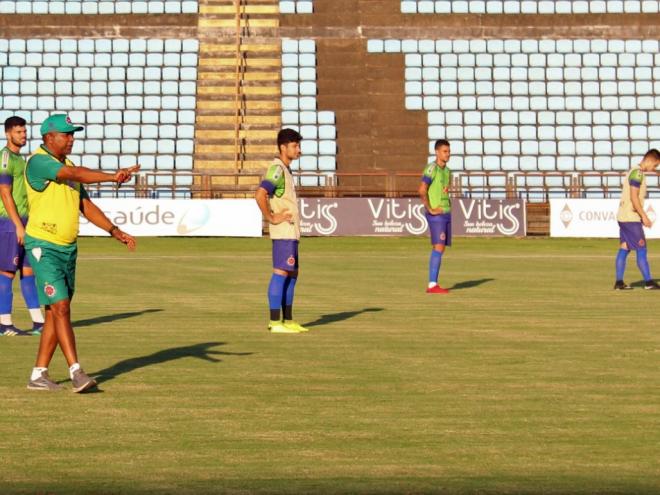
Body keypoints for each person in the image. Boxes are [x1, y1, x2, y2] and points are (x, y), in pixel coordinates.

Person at [25, 114, 139, 392]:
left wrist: (114, 231)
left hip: (67, 248)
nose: (71, 139)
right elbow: (73, 175)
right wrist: (112, 176)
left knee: (55, 312)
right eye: (66, 134)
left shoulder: (69, 165)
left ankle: (38, 374)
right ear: (49, 137)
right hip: (43, 245)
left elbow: (85, 205)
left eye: (72, 134)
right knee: (61, 307)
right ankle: (76, 372)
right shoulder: (39, 161)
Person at [255, 128, 308, 333]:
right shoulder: (277, 169)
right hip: (283, 232)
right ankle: (275, 322)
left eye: (298, 145)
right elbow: (260, 194)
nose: (298, 150)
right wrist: (271, 217)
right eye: (295, 146)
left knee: (292, 273)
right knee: (281, 272)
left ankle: (288, 320)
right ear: (283, 147)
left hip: (291, 232)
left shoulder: (286, 169)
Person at [0, 117, 44, 336]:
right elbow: (4, 192)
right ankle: (4, 324)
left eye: (24, 131)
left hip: (25, 221)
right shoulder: (6, 157)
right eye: (18, 132)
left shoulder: (21, 158)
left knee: (28, 272)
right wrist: (18, 225)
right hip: (10, 222)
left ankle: (39, 323)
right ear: (8, 134)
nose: (23, 135)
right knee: (6, 272)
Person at [614, 148, 660, 290]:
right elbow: (634, 197)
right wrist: (644, 216)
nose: (654, 169)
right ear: (650, 160)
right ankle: (649, 282)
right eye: (655, 165)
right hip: (631, 218)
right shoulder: (638, 173)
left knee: (625, 248)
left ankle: (619, 283)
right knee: (641, 249)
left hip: (623, 216)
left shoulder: (633, 171)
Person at [419, 139, 452, 294]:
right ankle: (432, 284)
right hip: (437, 215)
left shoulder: (448, 171)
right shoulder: (431, 168)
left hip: (445, 213)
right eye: (445, 151)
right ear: (437, 152)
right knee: (439, 246)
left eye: (449, 151)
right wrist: (430, 209)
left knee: (440, 247)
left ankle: (433, 283)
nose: (448, 154)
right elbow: (422, 189)